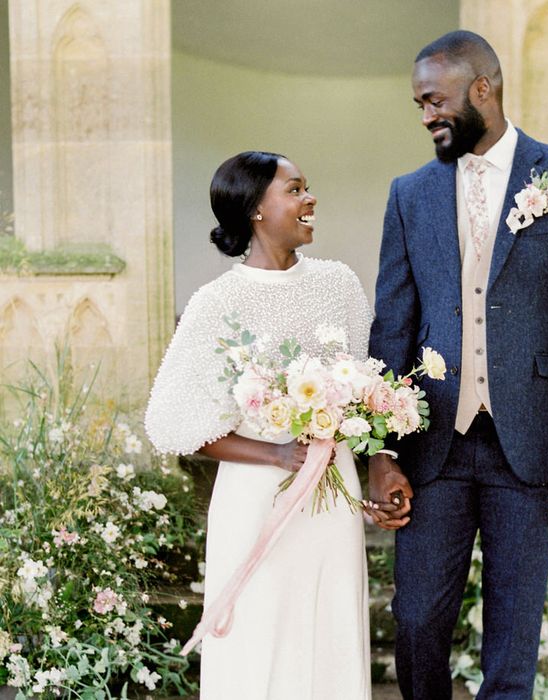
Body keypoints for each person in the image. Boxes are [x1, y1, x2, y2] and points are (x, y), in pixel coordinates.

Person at [367, 31, 548, 699]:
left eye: (435, 100)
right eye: (419, 104)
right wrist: (381, 450)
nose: (426, 116)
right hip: (432, 447)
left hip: (531, 450)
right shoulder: (409, 193)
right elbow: (392, 323)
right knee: (418, 622)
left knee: (512, 639)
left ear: (484, 89)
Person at [145, 151, 372, 699]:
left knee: (332, 625)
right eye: (294, 190)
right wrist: (274, 454)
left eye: (306, 188)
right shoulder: (216, 303)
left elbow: (366, 383)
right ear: (254, 210)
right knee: (260, 629)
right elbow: (172, 422)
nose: (309, 199)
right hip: (255, 496)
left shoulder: (340, 284)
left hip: (331, 490)